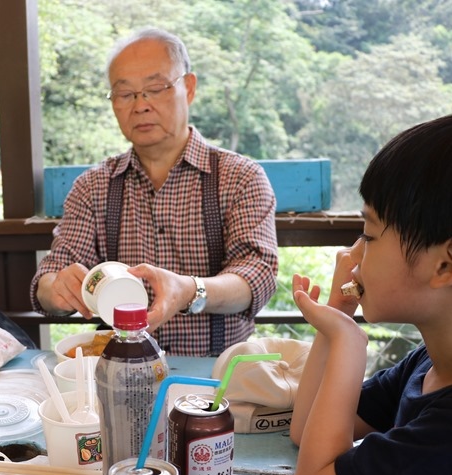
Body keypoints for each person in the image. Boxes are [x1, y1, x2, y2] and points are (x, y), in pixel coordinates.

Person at [289, 111, 452, 475]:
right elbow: (306, 427)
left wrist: (348, 343)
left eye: (369, 234)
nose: (352, 256)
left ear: (445, 263)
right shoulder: (430, 364)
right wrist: (337, 319)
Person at [30, 27, 278, 357]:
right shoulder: (94, 186)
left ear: (188, 88)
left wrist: (189, 290)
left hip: (217, 377)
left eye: (155, 88)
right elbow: (48, 279)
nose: (141, 105)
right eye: (125, 93)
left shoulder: (240, 177)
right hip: (119, 376)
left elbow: (257, 275)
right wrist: (57, 291)